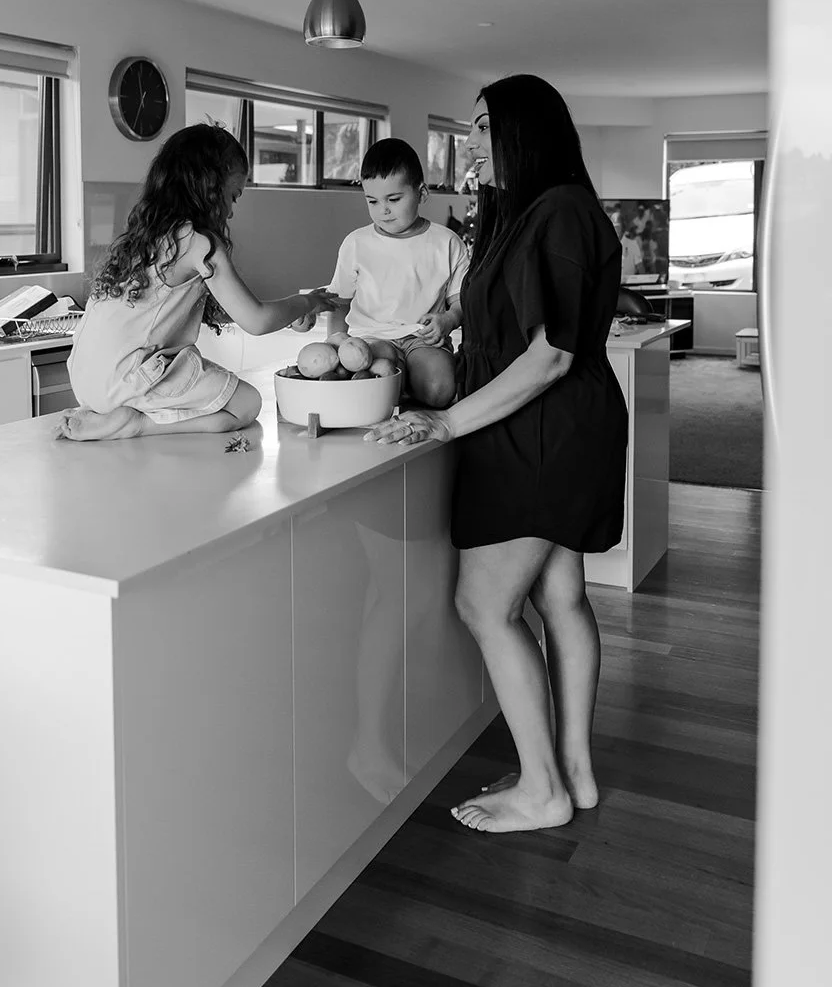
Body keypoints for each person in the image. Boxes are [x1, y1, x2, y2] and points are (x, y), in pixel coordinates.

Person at [366, 75, 627, 834]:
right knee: (560, 597)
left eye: (484, 127)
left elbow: (550, 355)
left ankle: (542, 790)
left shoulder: (559, 213)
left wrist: (448, 424)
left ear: (524, 131)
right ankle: (572, 773)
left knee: (484, 604)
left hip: (542, 431)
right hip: (550, 427)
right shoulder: (539, 212)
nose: (471, 141)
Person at [60, 124, 334, 440]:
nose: (231, 212)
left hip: (86, 380)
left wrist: (288, 316)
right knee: (246, 404)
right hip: (126, 381)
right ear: (210, 189)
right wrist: (307, 301)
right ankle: (135, 424)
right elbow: (255, 320)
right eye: (233, 196)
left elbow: (224, 309)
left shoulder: (143, 238)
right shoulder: (197, 242)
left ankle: (116, 417)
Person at [321, 138, 470, 408]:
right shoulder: (356, 243)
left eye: (394, 199)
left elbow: (460, 301)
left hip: (422, 338)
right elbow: (339, 301)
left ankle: (408, 384)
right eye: (373, 201)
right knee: (379, 376)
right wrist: (335, 343)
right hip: (372, 337)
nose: (384, 210)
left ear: (421, 193)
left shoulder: (447, 242)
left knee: (440, 390)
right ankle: (401, 385)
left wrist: (448, 320)